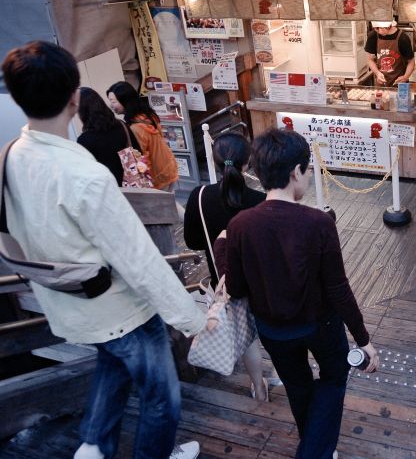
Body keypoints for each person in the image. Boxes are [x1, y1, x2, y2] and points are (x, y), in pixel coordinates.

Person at [2, 41, 204, 459]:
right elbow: (141, 261)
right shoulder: (85, 177)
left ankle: (93, 446)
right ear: (75, 98)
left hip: (67, 304)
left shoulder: (10, 157)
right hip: (121, 309)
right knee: (162, 399)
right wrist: (192, 319)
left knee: (112, 368)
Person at [225, 129, 379, 459]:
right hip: (319, 325)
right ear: (296, 172)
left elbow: (235, 289)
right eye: (307, 170)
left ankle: (315, 446)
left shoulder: (239, 225)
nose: (307, 176)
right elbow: (338, 288)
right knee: (335, 376)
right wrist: (363, 339)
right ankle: (315, 452)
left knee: (297, 386)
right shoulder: (318, 222)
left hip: (272, 330)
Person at [183, 133, 270, 401]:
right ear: (247, 163)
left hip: (223, 281)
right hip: (259, 281)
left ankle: (258, 387)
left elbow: (193, 240)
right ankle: (271, 376)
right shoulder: (260, 200)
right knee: (263, 331)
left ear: (215, 161)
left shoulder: (199, 196)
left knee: (247, 338)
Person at [107, 81, 178, 191]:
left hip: (158, 176)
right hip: (168, 166)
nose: (111, 106)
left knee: (163, 206)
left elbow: (143, 158)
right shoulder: (148, 114)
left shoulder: (137, 128)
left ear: (125, 101)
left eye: (113, 101)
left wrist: (148, 184)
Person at [77, 87, 143, 186]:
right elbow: (138, 151)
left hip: (109, 190)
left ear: (82, 111)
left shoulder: (84, 140)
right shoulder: (121, 125)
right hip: (133, 185)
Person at [364, 20, 415, 88]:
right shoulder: (373, 36)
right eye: (377, 28)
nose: (379, 31)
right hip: (380, 83)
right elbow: (370, 59)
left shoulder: (403, 38)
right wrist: (377, 73)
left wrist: (405, 77)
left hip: (399, 83)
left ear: (389, 26)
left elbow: (411, 61)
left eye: (382, 28)